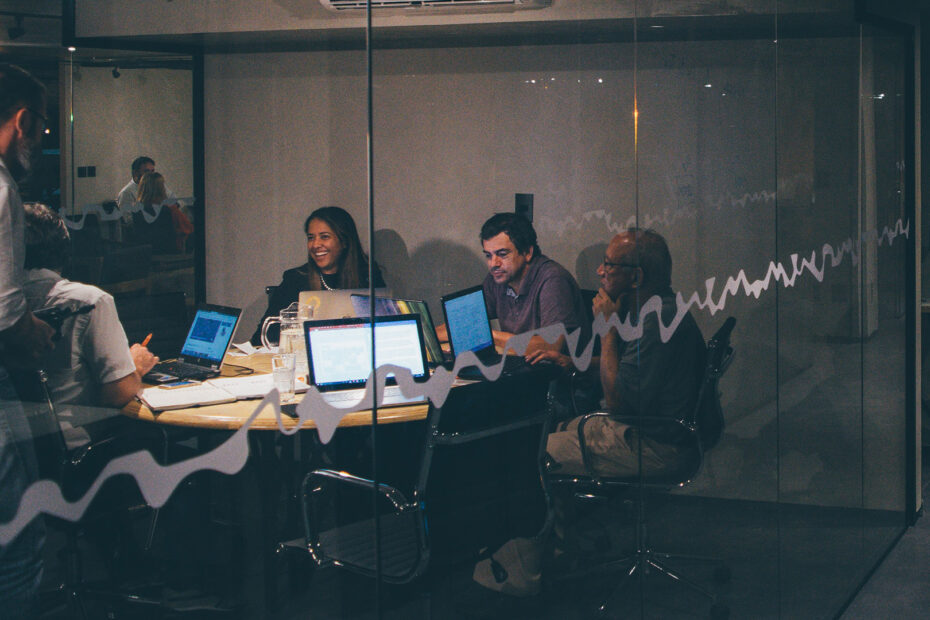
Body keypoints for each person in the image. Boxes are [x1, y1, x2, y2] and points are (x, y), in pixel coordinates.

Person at [473, 228, 706, 596]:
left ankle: (519, 577)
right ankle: (565, 550)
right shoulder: (659, 308)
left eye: (609, 265)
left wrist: (609, 329)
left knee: (529, 456)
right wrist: (569, 361)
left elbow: (616, 400)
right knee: (550, 433)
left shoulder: (654, 323)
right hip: (650, 429)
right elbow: (626, 371)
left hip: (654, 442)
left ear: (637, 276)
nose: (599, 272)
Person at [22, 203, 160, 447]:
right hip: (76, 449)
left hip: (15, 457)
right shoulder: (87, 302)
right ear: (63, 247)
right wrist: (135, 365)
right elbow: (117, 393)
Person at [0, 62, 56, 619]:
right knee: (16, 540)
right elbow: (6, 316)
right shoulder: (1, 191)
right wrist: (36, 327)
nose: (40, 142)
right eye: (40, 128)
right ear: (21, 121)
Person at [437, 212, 588, 359]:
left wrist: (488, 335)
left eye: (502, 254)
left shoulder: (553, 280)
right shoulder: (498, 277)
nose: (493, 264)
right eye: (488, 255)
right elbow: (464, 324)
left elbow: (551, 346)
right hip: (520, 368)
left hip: (555, 377)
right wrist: (428, 338)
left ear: (527, 252)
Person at [251, 206, 385, 345]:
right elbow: (261, 338)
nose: (315, 244)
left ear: (344, 241)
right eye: (311, 238)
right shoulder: (295, 279)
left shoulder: (368, 275)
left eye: (324, 237)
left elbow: (384, 330)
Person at [133, 171, 191, 253]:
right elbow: (187, 228)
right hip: (168, 251)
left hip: (145, 252)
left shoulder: (136, 209)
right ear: (161, 189)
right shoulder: (168, 209)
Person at [116, 155, 178, 221]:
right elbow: (128, 219)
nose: (151, 175)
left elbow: (174, 201)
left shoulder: (158, 185)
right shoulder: (126, 193)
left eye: (152, 171)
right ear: (135, 173)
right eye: (147, 172)